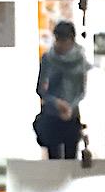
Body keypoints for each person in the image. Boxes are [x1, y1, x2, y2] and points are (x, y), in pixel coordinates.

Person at [35, 20, 90, 159]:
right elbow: (40, 89)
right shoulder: (48, 58)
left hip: (72, 116)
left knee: (71, 161)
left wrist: (69, 107)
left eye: (63, 40)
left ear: (71, 40)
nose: (59, 44)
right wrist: (56, 102)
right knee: (53, 161)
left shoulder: (80, 59)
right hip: (51, 115)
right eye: (57, 39)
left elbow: (81, 91)